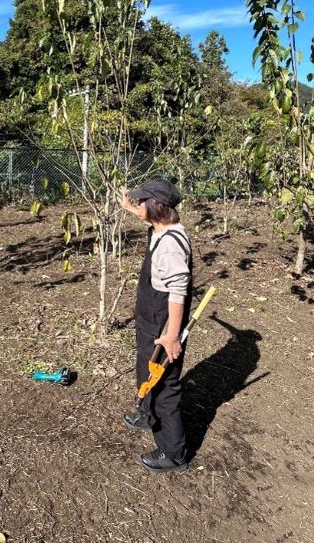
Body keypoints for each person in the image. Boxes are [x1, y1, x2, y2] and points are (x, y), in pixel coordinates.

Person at [120, 178, 192, 473]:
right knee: (147, 373)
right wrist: (130, 207)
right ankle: (145, 411)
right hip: (151, 321)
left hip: (163, 325)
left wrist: (172, 335)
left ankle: (174, 453)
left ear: (155, 206)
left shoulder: (171, 246)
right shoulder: (161, 230)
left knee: (165, 388)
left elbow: (178, 290)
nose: (138, 205)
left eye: (141, 202)